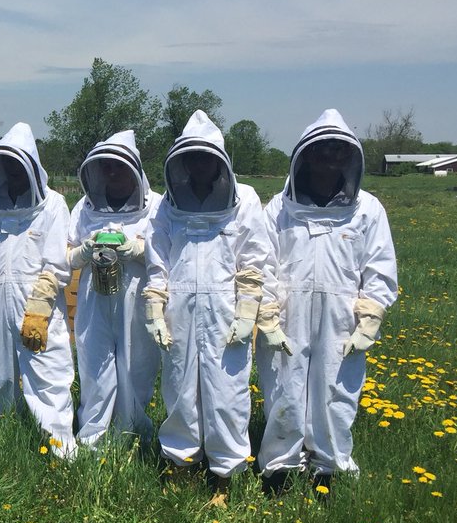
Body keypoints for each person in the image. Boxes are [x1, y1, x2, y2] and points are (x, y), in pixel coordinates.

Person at [256, 109, 398, 494]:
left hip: (342, 317)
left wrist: (370, 317)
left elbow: (380, 268)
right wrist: (266, 314)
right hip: (287, 314)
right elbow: (262, 262)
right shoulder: (278, 209)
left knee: (337, 389)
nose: (331, 159)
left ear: (350, 159)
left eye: (339, 152)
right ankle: (280, 466)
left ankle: (330, 467)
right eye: (323, 150)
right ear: (306, 156)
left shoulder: (367, 209)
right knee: (283, 388)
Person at [143, 110, 272, 498]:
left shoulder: (244, 198)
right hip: (179, 310)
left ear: (219, 160)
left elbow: (253, 258)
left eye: (206, 158)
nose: (200, 164)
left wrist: (248, 310)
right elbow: (157, 259)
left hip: (225, 312)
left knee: (227, 393)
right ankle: (182, 464)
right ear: (181, 162)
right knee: (179, 388)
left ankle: (224, 476)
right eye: (192, 158)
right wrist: (154, 309)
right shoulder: (167, 205)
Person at [0, 122, 76, 457]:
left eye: (17, 166)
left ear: (30, 166)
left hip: (36, 307)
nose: (11, 173)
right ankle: (1, 447)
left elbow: (57, 262)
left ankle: (61, 453)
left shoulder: (53, 204)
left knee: (48, 377)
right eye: (5, 166)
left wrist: (40, 308)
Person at [67, 130, 162, 447]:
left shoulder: (157, 206)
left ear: (134, 169)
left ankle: (131, 437)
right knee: (95, 368)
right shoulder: (83, 207)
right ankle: (93, 441)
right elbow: (66, 255)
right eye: (105, 166)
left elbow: (171, 254)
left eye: (118, 166)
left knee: (136, 369)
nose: (111, 172)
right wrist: (82, 252)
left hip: (137, 297)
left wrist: (139, 250)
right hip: (95, 296)